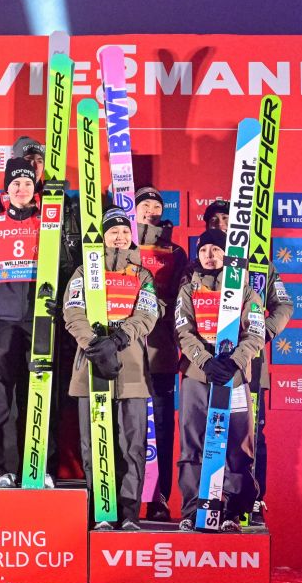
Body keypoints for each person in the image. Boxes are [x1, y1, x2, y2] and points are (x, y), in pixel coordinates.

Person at [63, 208, 161, 530]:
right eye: (113, 231)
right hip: (92, 365)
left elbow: (147, 314)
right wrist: (94, 344)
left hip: (131, 369)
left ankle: (129, 513)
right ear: (103, 236)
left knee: (133, 445)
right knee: (94, 443)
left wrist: (118, 339)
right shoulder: (84, 271)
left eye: (124, 232)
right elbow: (72, 311)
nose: (119, 237)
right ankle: (101, 511)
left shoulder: (142, 275)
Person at [199, 199, 294, 525]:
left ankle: (250, 502)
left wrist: (260, 332)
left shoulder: (259, 264)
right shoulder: (203, 264)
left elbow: (284, 305)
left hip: (249, 365)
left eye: (227, 219)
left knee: (249, 435)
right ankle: (212, 501)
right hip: (210, 366)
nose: (221, 225)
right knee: (211, 433)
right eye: (215, 221)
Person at [0, 156, 56, 489]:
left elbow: (64, 265)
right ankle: (5, 469)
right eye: (15, 183)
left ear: (35, 188)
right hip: (2, 321)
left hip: (39, 319)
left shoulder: (47, 220)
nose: (21, 189)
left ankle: (40, 466)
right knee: (3, 398)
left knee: (41, 394)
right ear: (7, 188)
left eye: (27, 183)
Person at [174, 228, 265, 532]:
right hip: (197, 376)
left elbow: (255, 333)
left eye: (215, 250)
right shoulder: (189, 289)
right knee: (193, 445)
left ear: (226, 255)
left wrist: (234, 361)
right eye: (203, 250)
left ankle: (232, 512)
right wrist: (205, 361)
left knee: (238, 446)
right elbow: (183, 331)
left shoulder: (246, 291)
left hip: (234, 378)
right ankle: (192, 510)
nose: (209, 256)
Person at [133, 187, 188, 521]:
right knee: (127, 428)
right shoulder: (121, 241)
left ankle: (159, 499)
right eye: (145, 204)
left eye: (156, 205)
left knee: (162, 429)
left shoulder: (175, 251)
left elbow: (183, 299)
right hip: (126, 351)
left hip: (161, 351)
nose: (150, 210)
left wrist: (152, 308)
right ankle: (124, 499)